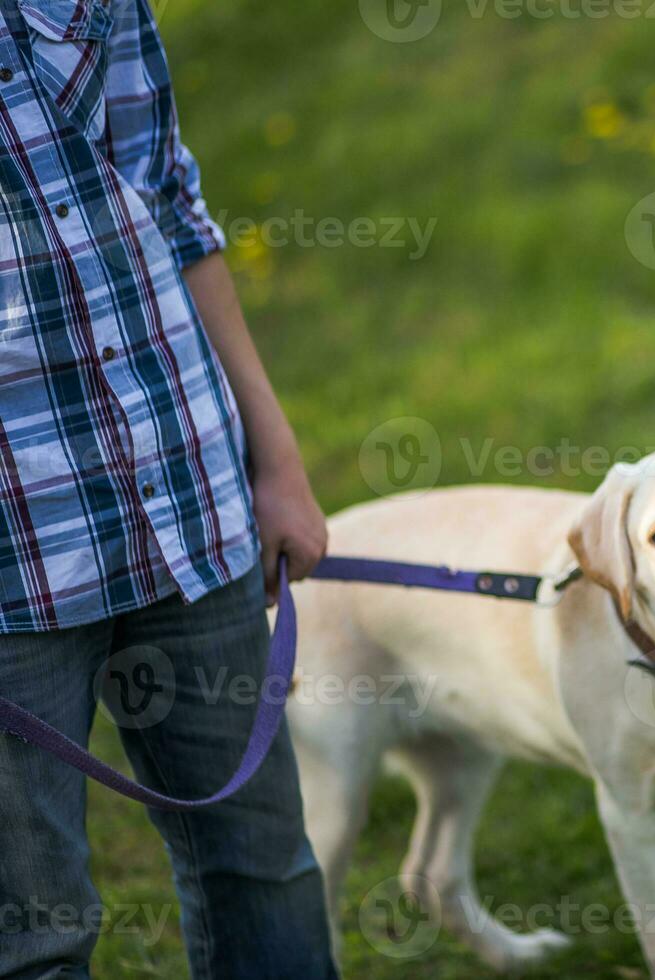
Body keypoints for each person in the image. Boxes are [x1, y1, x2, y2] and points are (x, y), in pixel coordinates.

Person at [0, 0, 337, 975]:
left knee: (262, 870)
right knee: (36, 937)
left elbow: (172, 205)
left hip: (183, 498)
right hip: (17, 561)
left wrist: (275, 458)